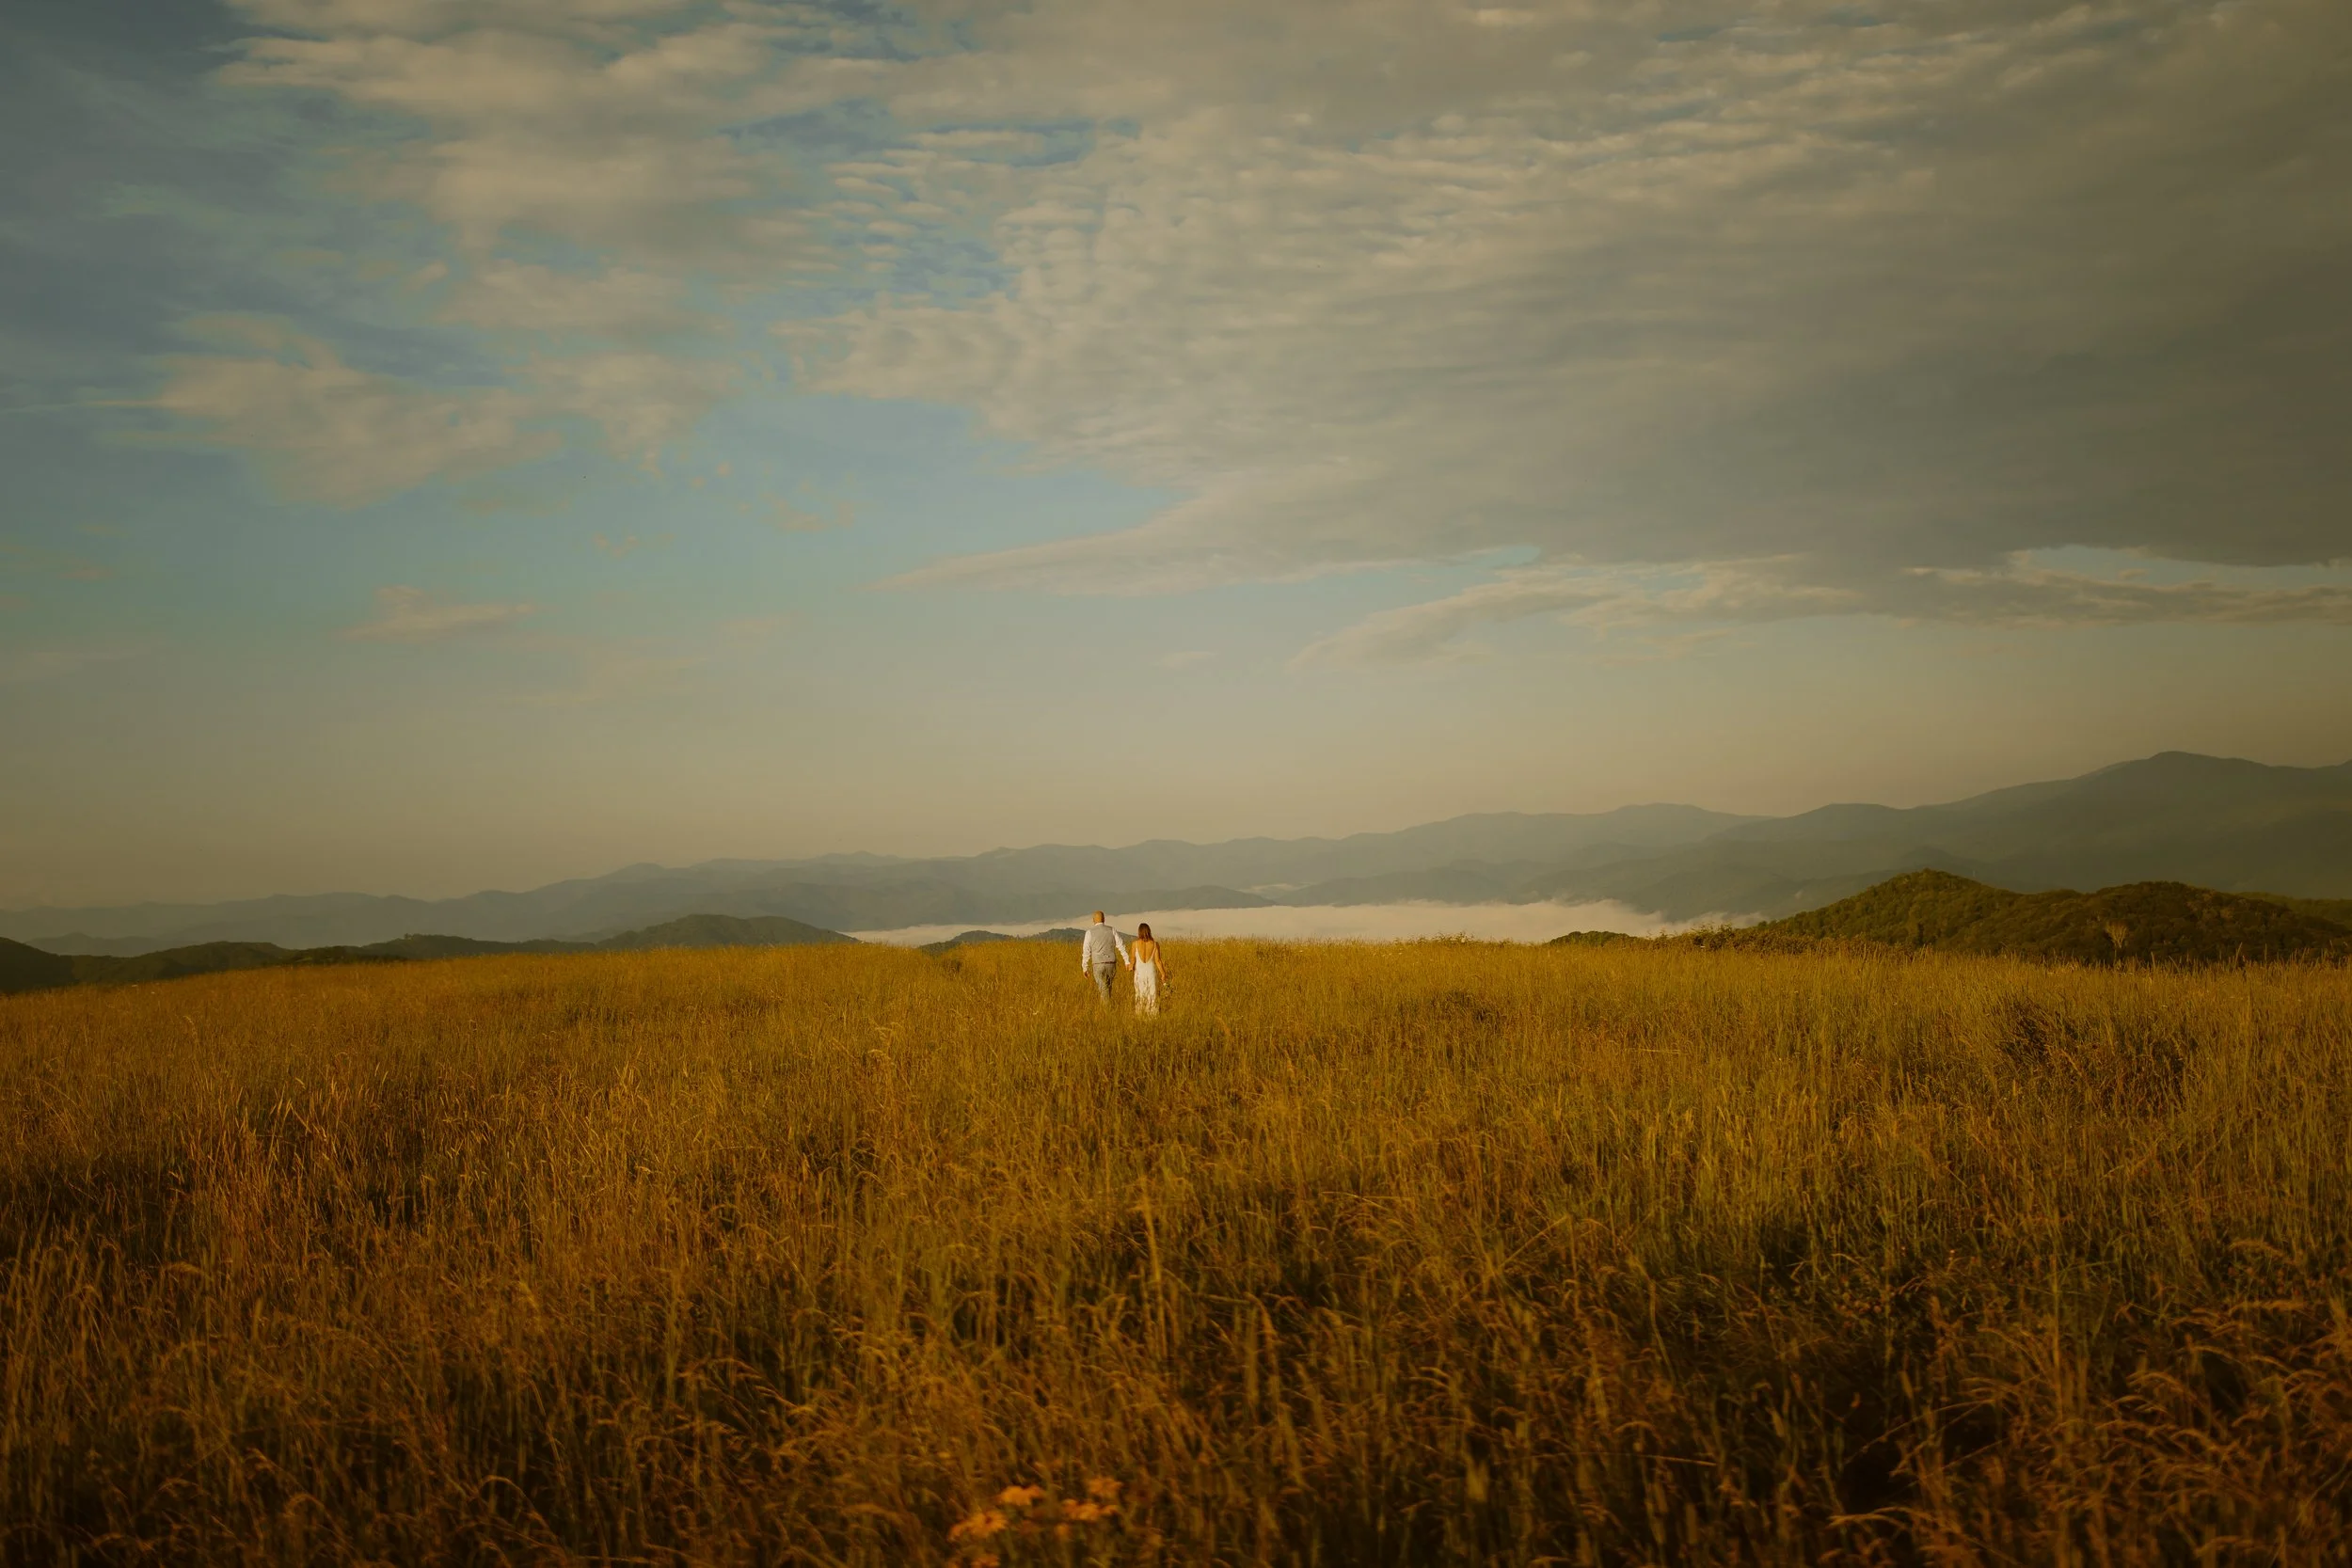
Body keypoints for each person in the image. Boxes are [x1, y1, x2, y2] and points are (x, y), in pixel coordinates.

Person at [1079, 911, 1127, 1002]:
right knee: (1108, 988)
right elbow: (1121, 945)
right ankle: (1108, 1008)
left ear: (1093, 920)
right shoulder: (1112, 930)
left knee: (1103, 989)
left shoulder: (1089, 933)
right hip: (1111, 964)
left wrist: (1085, 967)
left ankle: (1106, 1011)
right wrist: (1127, 960)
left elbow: (1086, 951)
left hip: (1098, 964)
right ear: (1104, 919)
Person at [1126, 922, 1168, 1016]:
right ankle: (1153, 1017)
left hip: (1139, 973)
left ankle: (1140, 1016)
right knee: (1152, 995)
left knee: (1140, 995)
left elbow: (1132, 958)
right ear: (1149, 931)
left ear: (1139, 932)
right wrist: (1163, 973)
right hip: (1151, 973)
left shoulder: (1135, 944)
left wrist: (1131, 966)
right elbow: (1158, 961)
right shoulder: (1155, 944)